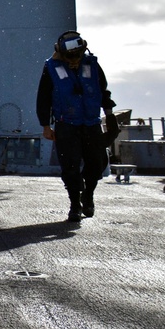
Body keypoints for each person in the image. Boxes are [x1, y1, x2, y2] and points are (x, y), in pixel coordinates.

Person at [36, 30, 116, 222]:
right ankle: (75, 204)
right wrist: (46, 125)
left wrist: (110, 116)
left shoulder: (92, 65)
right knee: (70, 167)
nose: (74, 58)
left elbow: (102, 90)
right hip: (66, 125)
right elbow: (43, 97)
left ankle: (88, 195)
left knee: (96, 164)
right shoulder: (51, 68)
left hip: (91, 124)